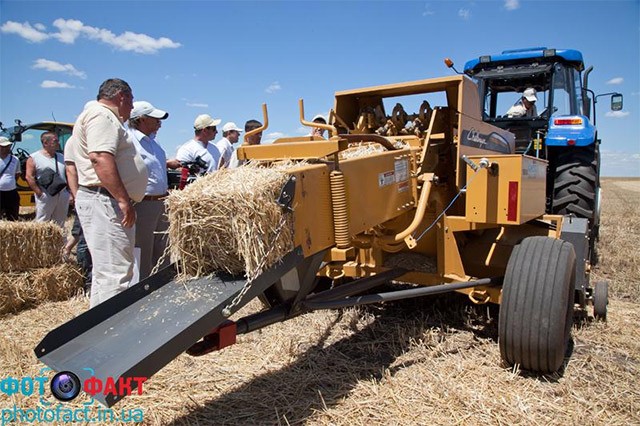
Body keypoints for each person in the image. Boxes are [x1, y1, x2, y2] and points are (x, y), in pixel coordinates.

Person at [67, 78, 148, 308]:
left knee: (107, 273)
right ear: (122, 96)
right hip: (106, 200)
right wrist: (123, 200)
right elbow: (100, 157)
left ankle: (99, 329)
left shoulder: (97, 115)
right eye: (131, 101)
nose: (131, 108)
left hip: (103, 198)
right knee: (116, 272)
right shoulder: (102, 115)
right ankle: (113, 335)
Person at [127, 101, 172, 280]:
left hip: (161, 202)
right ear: (142, 119)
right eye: (155, 119)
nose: (159, 123)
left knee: (163, 248)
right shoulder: (130, 142)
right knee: (143, 250)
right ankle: (142, 289)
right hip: (143, 203)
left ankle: (163, 285)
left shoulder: (154, 142)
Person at [25, 131, 70, 227]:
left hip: (62, 194)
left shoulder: (62, 157)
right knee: (42, 222)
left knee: (60, 222)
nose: (58, 143)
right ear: (45, 143)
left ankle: (61, 241)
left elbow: (68, 174)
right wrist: (40, 194)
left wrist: (68, 192)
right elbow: (29, 177)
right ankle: (41, 242)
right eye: (55, 141)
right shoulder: (34, 158)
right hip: (46, 194)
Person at [0, 137, 21, 220]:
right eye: (3, 146)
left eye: (8, 146)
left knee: (13, 216)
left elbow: (17, 174)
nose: (6, 148)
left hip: (11, 192)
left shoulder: (15, 159)